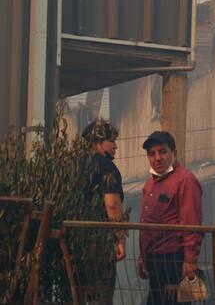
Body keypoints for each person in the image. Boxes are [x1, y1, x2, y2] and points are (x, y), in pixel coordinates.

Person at [136, 131, 203, 305]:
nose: (157, 158)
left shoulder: (185, 180)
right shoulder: (150, 183)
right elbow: (146, 224)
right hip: (153, 260)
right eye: (152, 154)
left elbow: (192, 223)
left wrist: (189, 260)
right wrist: (142, 257)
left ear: (173, 152)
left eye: (162, 151)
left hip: (173, 259)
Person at [81, 119, 125, 305]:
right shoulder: (107, 167)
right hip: (100, 244)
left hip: (73, 243)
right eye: (111, 141)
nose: (115, 146)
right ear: (97, 143)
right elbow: (112, 205)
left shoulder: (73, 165)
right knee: (102, 297)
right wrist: (119, 239)